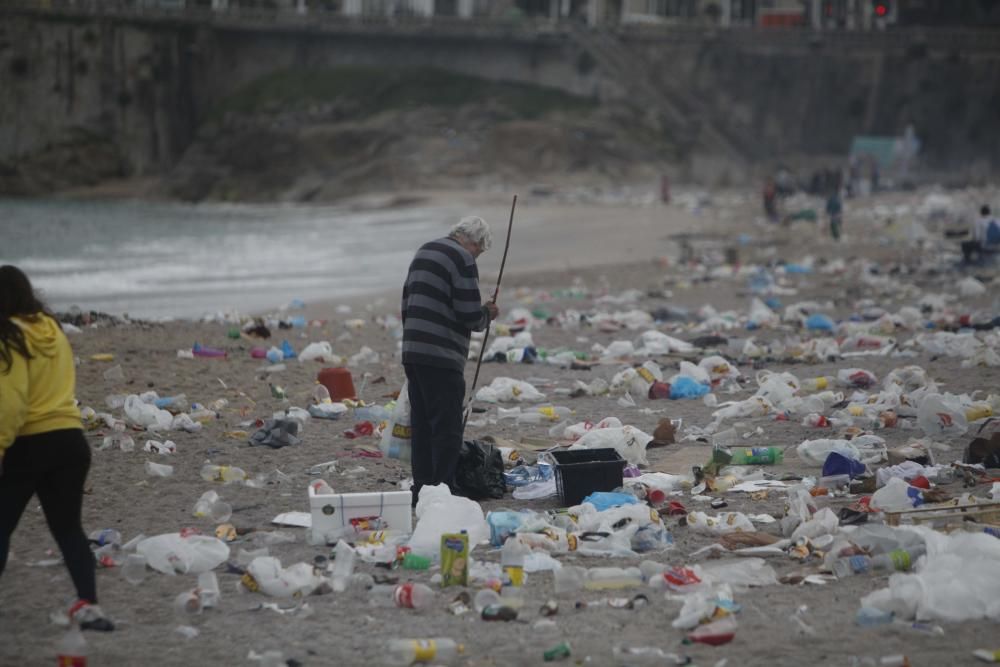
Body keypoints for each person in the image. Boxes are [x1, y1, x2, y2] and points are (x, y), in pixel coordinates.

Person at [0, 265, 113, 632]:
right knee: (68, 530)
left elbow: (11, 402)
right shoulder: (54, 330)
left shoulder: (9, 335)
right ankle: (91, 607)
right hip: (71, 441)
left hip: (30, 443)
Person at [401, 217, 499, 506]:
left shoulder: (425, 250)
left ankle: (422, 490)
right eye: (479, 251)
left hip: (413, 350)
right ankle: (442, 490)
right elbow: (469, 314)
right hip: (442, 355)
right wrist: (487, 313)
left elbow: (406, 301)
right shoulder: (462, 258)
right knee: (446, 428)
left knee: (422, 426)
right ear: (474, 242)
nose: (477, 256)